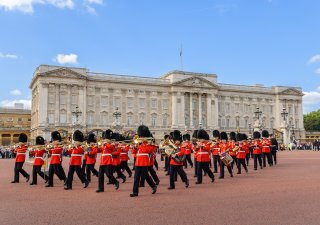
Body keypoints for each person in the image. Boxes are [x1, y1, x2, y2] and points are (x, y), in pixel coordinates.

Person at [130, 125, 157, 197]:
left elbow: (146, 150)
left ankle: (153, 185)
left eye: (141, 136)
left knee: (145, 176)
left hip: (144, 162)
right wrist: (135, 147)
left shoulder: (149, 143)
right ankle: (135, 192)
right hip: (138, 162)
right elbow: (134, 152)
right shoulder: (139, 143)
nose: (140, 137)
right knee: (136, 178)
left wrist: (141, 144)